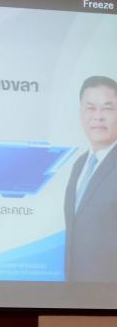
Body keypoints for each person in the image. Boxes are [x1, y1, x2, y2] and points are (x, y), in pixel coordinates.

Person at [64, 76, 117, 282]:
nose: (98, 116)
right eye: (90, 108)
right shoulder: (79, 165)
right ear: (81, 113)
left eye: (107, 108)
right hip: (75, 291)